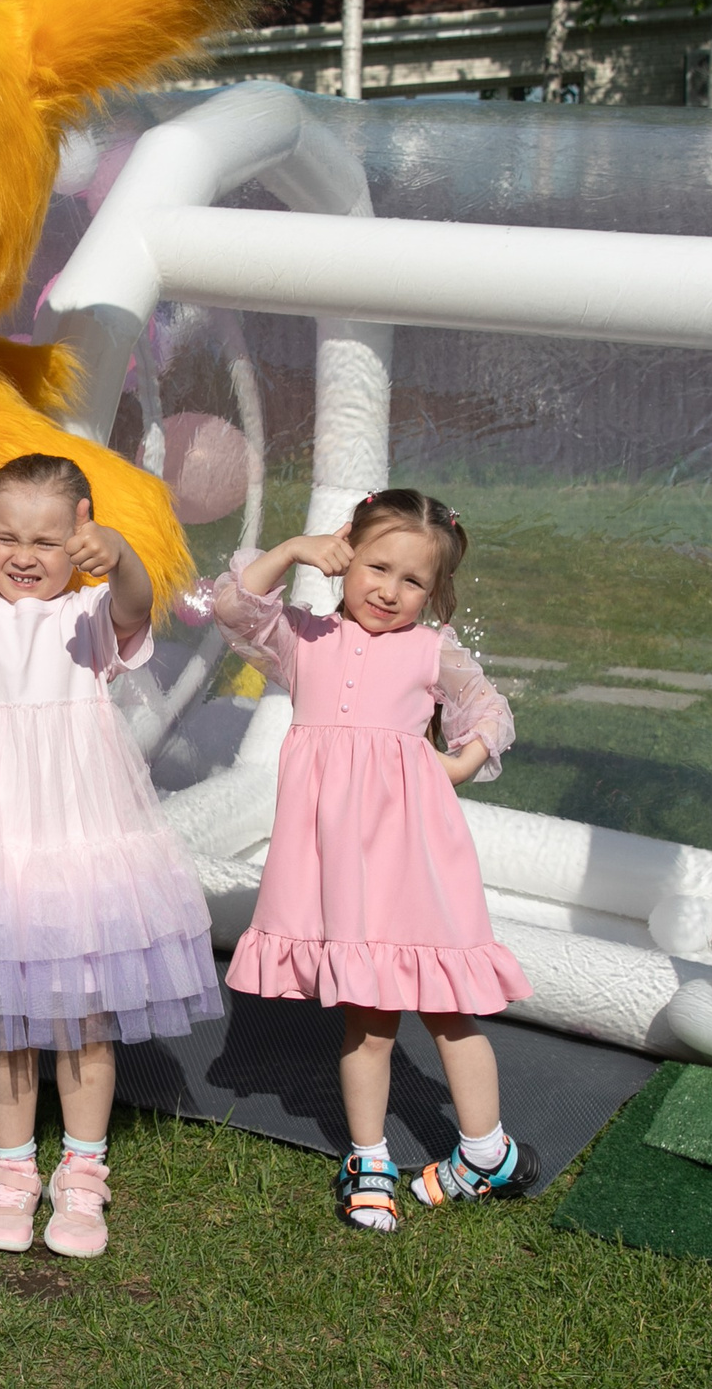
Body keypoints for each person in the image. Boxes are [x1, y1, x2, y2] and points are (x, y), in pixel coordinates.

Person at [0, 455, 220, 1258]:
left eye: (46, 540)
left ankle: (82, 1169)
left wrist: (123, 557)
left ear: (79, 539)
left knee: (82, 1019)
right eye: (6, 537)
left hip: (75, 847)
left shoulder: (89, 615)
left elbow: (136, 604)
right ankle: (12, 1171)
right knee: (3, 1024)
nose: (25, 556)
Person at [212, 488, 533, 1231]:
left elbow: (489, 708)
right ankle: (370, 1157)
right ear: (347, 552)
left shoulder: (430, 650)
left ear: (436, 591)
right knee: (369, 1017)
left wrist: (459, 763)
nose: (389, 590)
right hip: (342, 866)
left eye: (413, 580)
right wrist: (294, 550)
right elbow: (232, 606)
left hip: (415, 858)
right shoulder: (305, 639)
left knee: (448, 1005)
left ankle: (487, 1150)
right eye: (377, 566)